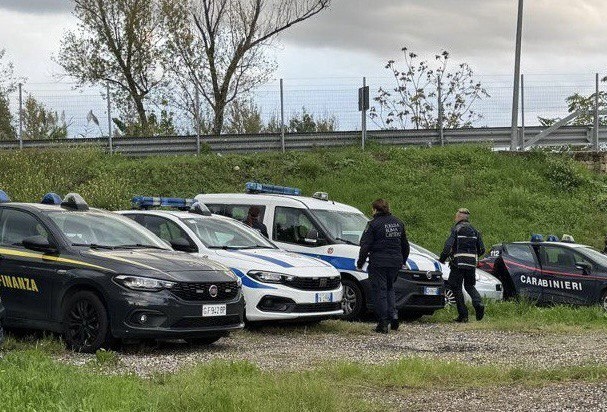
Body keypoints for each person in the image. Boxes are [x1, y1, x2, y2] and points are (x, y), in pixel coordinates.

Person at [356, 199, 410, 334]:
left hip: (379, 262)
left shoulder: (373, 224)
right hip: (395, 262)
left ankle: (383, 323)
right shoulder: (398, 223)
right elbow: (405, 245)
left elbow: (365, 246)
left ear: (375, 209)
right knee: (390, 288)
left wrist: (360, 263)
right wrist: (403, 260)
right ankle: (394, 316)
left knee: (380, 291)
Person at [439, 208, 485, 323]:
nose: (455, 218)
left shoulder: (456, 229)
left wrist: (442, 259)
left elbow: (447, 246)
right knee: (469, 286)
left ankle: (463, 315)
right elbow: (482, 249)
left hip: (458, 263)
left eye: (456, 216)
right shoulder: (475, 230)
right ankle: (478, 303)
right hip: (471, 264)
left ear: (459, 217)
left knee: (455, 286)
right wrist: (472, 256)